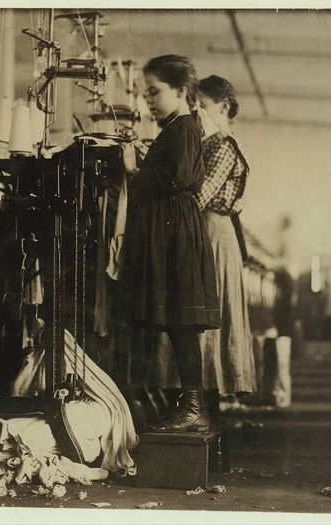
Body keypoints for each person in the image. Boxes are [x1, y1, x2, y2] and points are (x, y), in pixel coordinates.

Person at [121, 55, 220, 432]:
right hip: (173, 228)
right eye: (146, 92)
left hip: (176, 232)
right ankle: (188, 404)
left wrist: (134, 170)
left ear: (180, 91)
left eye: (155, 91)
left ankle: (193, 407)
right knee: (177, 321)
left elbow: (175, 178)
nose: (148, 99)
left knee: (182, 322)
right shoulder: (178, 127)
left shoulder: (183, 128)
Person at [194, 75, 255, 414]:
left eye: (202, 106)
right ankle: (205, 405)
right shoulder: (207, 144)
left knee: (209, 315)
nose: (197, 113)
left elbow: (199, 197)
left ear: (224, 107)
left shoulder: (221, 146)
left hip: (214, 233)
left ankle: (208, 404)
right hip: (209, 231)